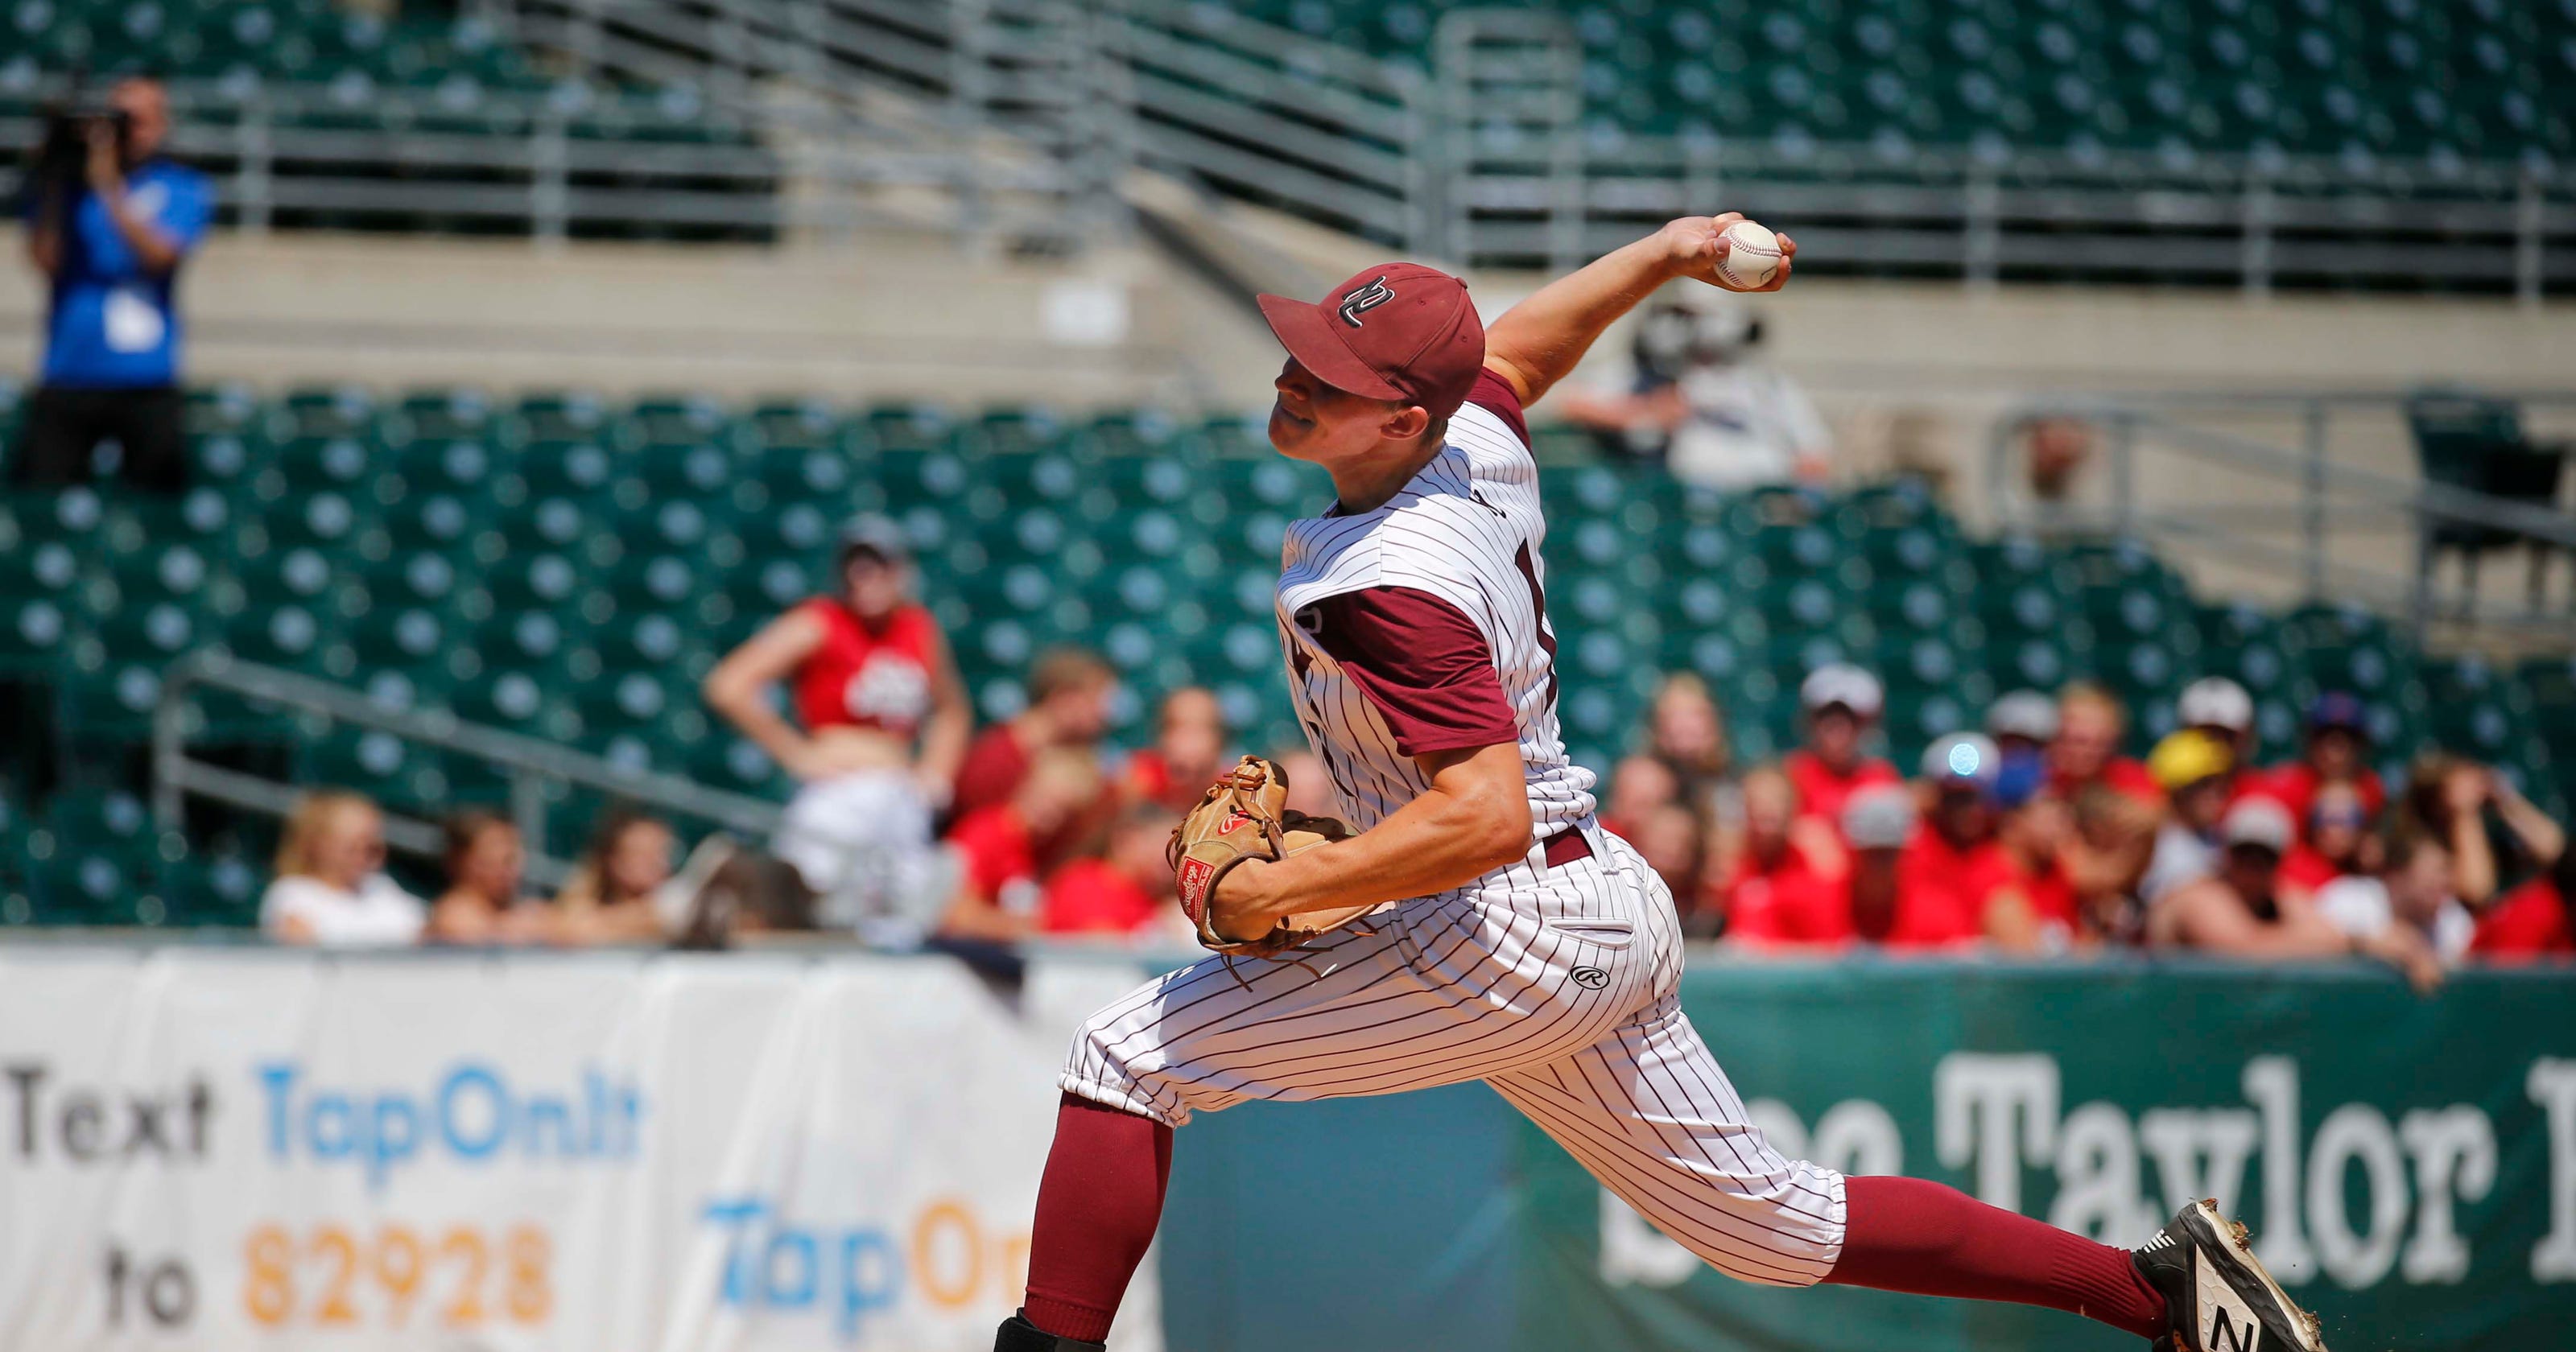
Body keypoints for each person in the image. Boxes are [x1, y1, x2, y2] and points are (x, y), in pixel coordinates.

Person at [994, 221, 2316, 1352]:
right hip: (1598, 900)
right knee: (1774, 1227)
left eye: (1328, 379)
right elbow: (1522, 350)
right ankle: (2163, 1300)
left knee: (1130, 1057)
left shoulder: (1386, 582)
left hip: (1504, 924)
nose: (1293, 382)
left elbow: (1482, 815)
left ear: (1402, 413)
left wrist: (1298, 882)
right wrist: (1670, 250)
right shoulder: (1470, 442)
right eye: (1301, 353)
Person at [702, 514, 972, 941]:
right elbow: (728, 685)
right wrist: (796, 753)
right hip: (840, 794)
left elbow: (952, 710)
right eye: (855, 564)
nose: (864, 576)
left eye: (878, 564)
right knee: (808, 904)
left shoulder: (918, 628)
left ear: (901, 571)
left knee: (898, 920)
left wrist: (936, 776)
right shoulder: (821, 621)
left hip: (900, 797)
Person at [14, 75, 212, 493]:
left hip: (146, 378)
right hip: (69, 372)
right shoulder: (67, 191)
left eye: (137, 121)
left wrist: (108, 184)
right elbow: (45, 261)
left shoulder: (182, 187)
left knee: (156, 500)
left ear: (161, 125)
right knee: (42, 498)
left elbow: (159, 256)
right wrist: (54, 174)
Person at [2145, 798, 2438, 990]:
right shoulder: (2198, 895)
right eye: (2243, 854)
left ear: (2279, 862)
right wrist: (2357, 943)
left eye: (2264, 857)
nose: (2252, 867)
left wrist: (2399, 943)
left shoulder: (2283, 896)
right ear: (2226, 855)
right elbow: (2246, 948)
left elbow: (2331, 929)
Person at [1551, 293, 1832, 488]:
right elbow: (1572, 402)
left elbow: (1814, 458)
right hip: (1689, 498)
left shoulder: (1770, 384)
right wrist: (1649, 411)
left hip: (1762, 499)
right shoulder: (1660, 376)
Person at [1886, 733, 2037, 951]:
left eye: (1976, 798)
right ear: (1937, 797)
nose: (1969, 810)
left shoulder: (1996, 861)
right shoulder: (1911, 846)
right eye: (1957, 798)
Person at [940, 748, 1103, 943]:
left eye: (1063, 811)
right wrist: (1023, 928)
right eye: (1045, 797)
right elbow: (954, 915)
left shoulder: (1044, 848)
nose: (1049, 814)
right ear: (1026, 783)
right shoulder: (986, 834)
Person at [951, 647, 1117, 823]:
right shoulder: (997, 758)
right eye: (1099, 700)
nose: (1106, 713)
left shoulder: (1076, 759)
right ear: (1064, 697)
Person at [2394, 751, 2566, 909]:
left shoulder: (2495, 822)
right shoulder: (2425, 844)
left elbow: (2556, 851)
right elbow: (2478, 892)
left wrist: (2507, 800)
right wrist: (2464, 813)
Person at [259, 791, 426, 948]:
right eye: (352, 848)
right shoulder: (292, 895)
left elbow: (431, 932)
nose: (365, 858)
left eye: (373, 849)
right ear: (318, 846)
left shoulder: (382, 888)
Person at [2317, 831, 2470, 983]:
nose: (2444, 882)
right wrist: (2366, 945)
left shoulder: (2453, 920)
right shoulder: (2348, 899)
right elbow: (2306, 947)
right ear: (2396, 874)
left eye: (2447, 872)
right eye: (2434, 873)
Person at [1780, 663, 1899, 832]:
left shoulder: (1881, 779)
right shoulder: (1791, 775)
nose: (1838, 727)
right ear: (1811, 722)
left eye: (1851, 719)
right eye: (1826, 716)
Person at [2244, 692, 2385, 826]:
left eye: (2348, 739)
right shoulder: (2287, 787)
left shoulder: (2371, 790)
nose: (2334, 752)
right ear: (2309, 742)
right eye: (2324, 737)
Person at [1042, 805, 1185, 938]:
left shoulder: (1154, 898)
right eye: (1162, 843)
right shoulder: (1083, 881)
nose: (1172, 855)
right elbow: (1099, 942)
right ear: (1126, 840)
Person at [2136, 730, 2235, 905]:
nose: (2216, 794)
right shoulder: (2159, 848)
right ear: (2176, 791)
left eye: (2221, 782)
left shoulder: (2215, 835)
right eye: (2204, 784)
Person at [551, 809, 679, 945]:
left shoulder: (677, 902)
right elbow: (568, 928)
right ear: (615, 861)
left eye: (662, 853)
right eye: (643, 854)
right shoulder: (588, 891)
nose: (657, 863)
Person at [425, 810, 552, 946]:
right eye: (501, 861)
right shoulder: (453, 916)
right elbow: (464, 930)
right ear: (461, 861)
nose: (511, 872)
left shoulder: (513, 913)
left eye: (513, 860)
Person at [2045, 682, 2161, 808]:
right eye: (2077, 740)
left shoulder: (2134, 782)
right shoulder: (2036, 780)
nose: (2086, 752)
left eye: (2099, 743)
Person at [1121, 686, 1230, 815]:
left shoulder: (1233, 787)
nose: (1190, 738)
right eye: (1179, 726)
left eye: (1201, 728)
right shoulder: (1141, 777)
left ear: (1219, 738)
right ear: (1162, 736)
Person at [2280, 782, 2375, 893]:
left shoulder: (2372, 868)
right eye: (2325, 819)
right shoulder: (2294, 868)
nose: (2335, 829)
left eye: (2346, 820)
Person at [2176, 675, 2256, 767]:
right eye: (2203, 736)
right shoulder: (2160, 779)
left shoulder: (2260, 781)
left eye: (2225, 736)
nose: (2213, 749)